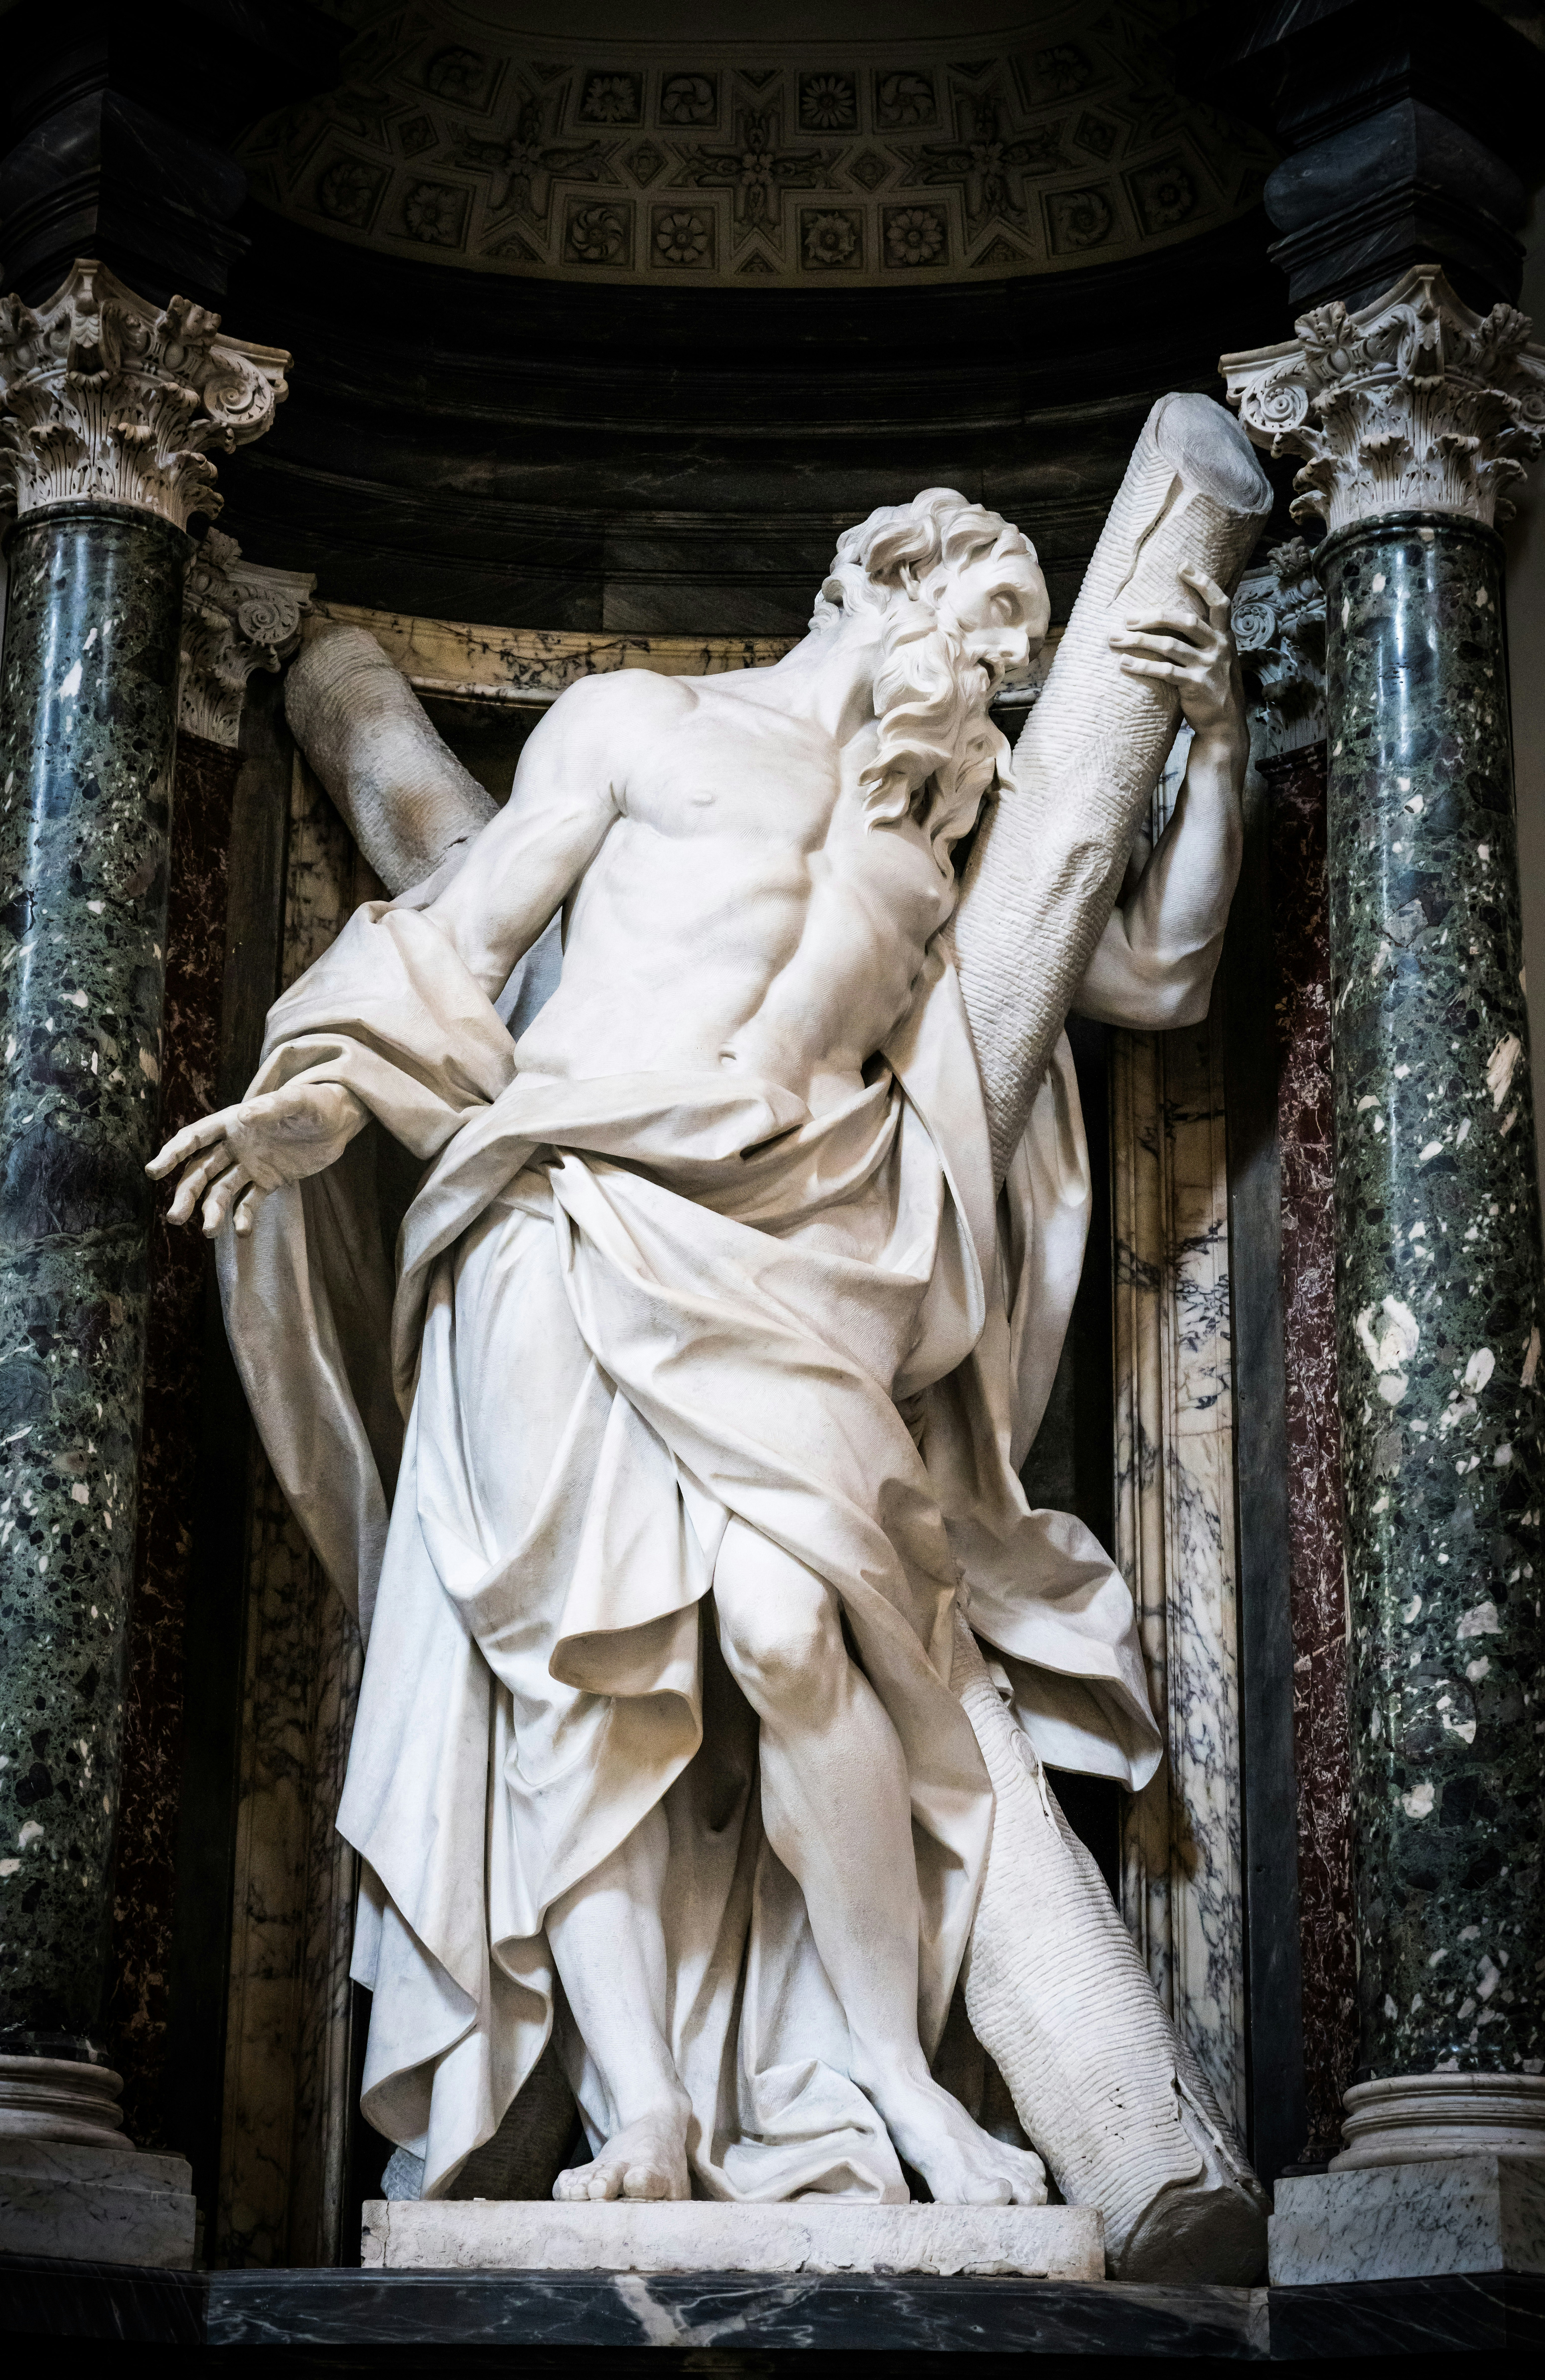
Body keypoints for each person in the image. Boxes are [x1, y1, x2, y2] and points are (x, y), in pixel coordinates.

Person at [151, 491, 1246, 2206]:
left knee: (795, 1629)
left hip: (797, 1258)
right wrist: (326, 1097)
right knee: (580, 1674)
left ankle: (896, 2082)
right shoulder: (637, 725)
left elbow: (1162, 976)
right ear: (877, 583)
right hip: (560, 1213)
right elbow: (463, 936)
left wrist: (1218, 741)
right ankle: (648, 2113)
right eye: (984, 633)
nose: (993, 681)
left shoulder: (944, 822)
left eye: (1014, 664)